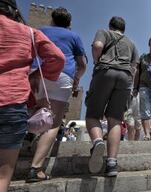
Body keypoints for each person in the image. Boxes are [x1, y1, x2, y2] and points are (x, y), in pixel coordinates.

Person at [0, 0, 64, 189]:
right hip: (12, 100)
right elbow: (57, 57)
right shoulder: (27, 31)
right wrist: (37, 74)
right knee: (3, 173)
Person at [27, 7, 87, 183]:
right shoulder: (74, 36)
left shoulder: (40, 31)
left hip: (39, 74)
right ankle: (36, 167)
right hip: (62, 76)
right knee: (53, 122)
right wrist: (76, 78)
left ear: (52, 20)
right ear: (69, 24)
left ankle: (30, 141)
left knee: (37, 112)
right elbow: (82, 64)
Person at [85, 16, 139, 177]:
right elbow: (134, 66)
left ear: (110, 26)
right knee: (115, 119)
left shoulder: (104, 32)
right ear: (124, 29)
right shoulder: (131, 43)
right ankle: (111, 163)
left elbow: (97, 46)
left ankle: (98, 141)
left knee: (93, 114)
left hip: (105, 71)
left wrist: (96, 61)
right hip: (125, 77)